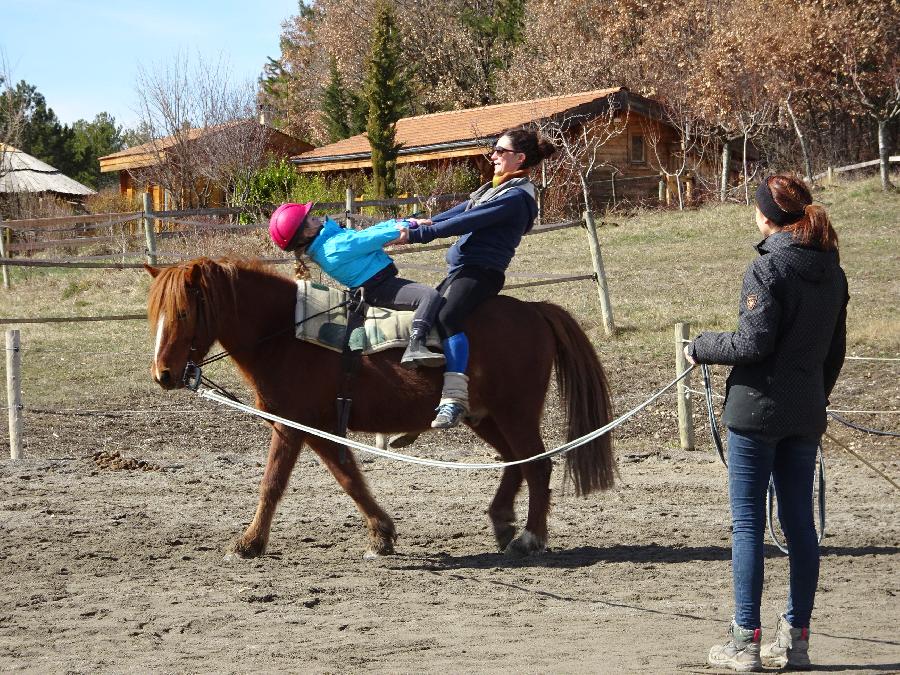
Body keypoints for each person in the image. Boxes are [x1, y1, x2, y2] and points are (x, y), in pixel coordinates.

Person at [685, 174, 848, 672]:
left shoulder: (768, 269)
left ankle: (744, 641)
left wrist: (700, 347)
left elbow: (752, 345)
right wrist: (814, 398)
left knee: (748, 526)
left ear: (766, 217)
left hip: (756, 413)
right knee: (801, 527)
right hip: (805, 414)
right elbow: (834, 353)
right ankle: (796, 639)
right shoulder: (835, 273)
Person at [401, 126, 558, 429]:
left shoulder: (514, 198)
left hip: (480, 274)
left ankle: (455, 399)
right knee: (426, 314)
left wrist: (417, 235)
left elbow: (465, 221)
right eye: (494, 149)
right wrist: (412, 223)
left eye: (501, 151)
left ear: (520, 157)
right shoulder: (492, 189)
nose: (494, 155)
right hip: (462, 271)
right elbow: (453, 214)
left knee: (446, 317)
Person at [269, 202, 444, 368]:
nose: (314, 216)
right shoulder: (333, 247)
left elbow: (368, 232)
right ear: (307, 232)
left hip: (378, 284)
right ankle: (416, 344)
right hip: (379, 288)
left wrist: (404, 222)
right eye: (309, 217)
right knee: (429, 296)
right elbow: (370, 238)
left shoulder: (328, 241)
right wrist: (404, 228)